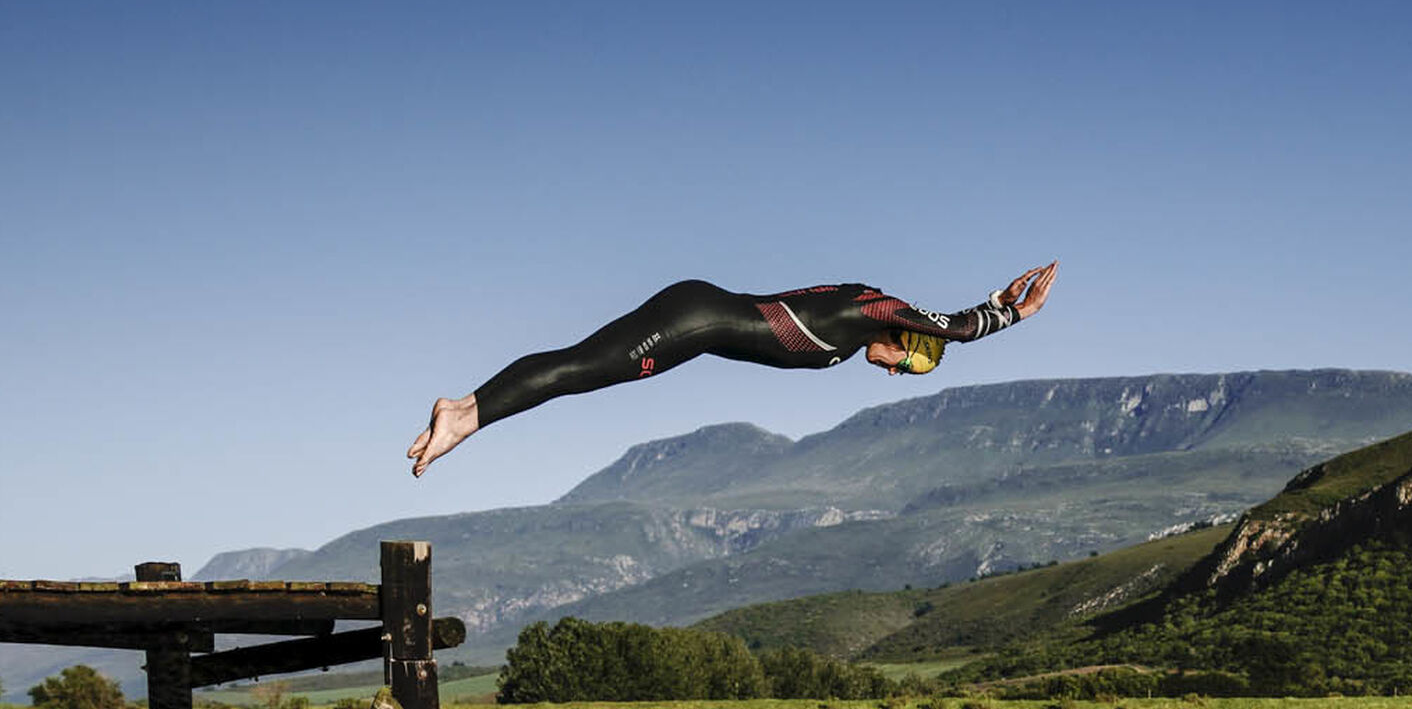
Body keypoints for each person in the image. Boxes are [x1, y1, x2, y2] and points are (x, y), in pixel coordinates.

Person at [408, 261, 1059, 476]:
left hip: (694, 327)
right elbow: (959, 328)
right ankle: (465, 413)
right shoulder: (873, 307)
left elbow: (945, 326)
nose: (892, 373)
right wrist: (1010, 312)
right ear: (905, 336)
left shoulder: (861, 328)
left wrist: (985, 311)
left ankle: (467, 412)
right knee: (581, 369)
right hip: (694, 317)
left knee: (582, 370)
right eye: (907, 365)